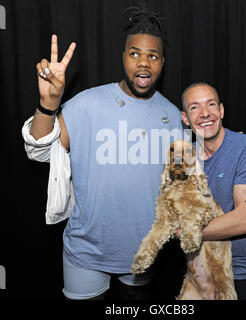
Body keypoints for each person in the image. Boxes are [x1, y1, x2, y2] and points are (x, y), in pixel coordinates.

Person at [28, 5, 182, 300]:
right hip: (86, 250)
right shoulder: (87, 104)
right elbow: (39, 150)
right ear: (123, 57)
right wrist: (48, 104)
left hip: (142, 251)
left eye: (152, 56)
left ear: (162, 62)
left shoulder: (173, 116)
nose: (143, 63)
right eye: (135, 53)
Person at [180, 82, 246, 300]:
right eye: (194, 107)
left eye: (211, 104)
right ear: (185, 118)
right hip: (202, 272)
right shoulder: (185, 160)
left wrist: (183, 232)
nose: (205, 113)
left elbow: (244, 220)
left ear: (221, 110)